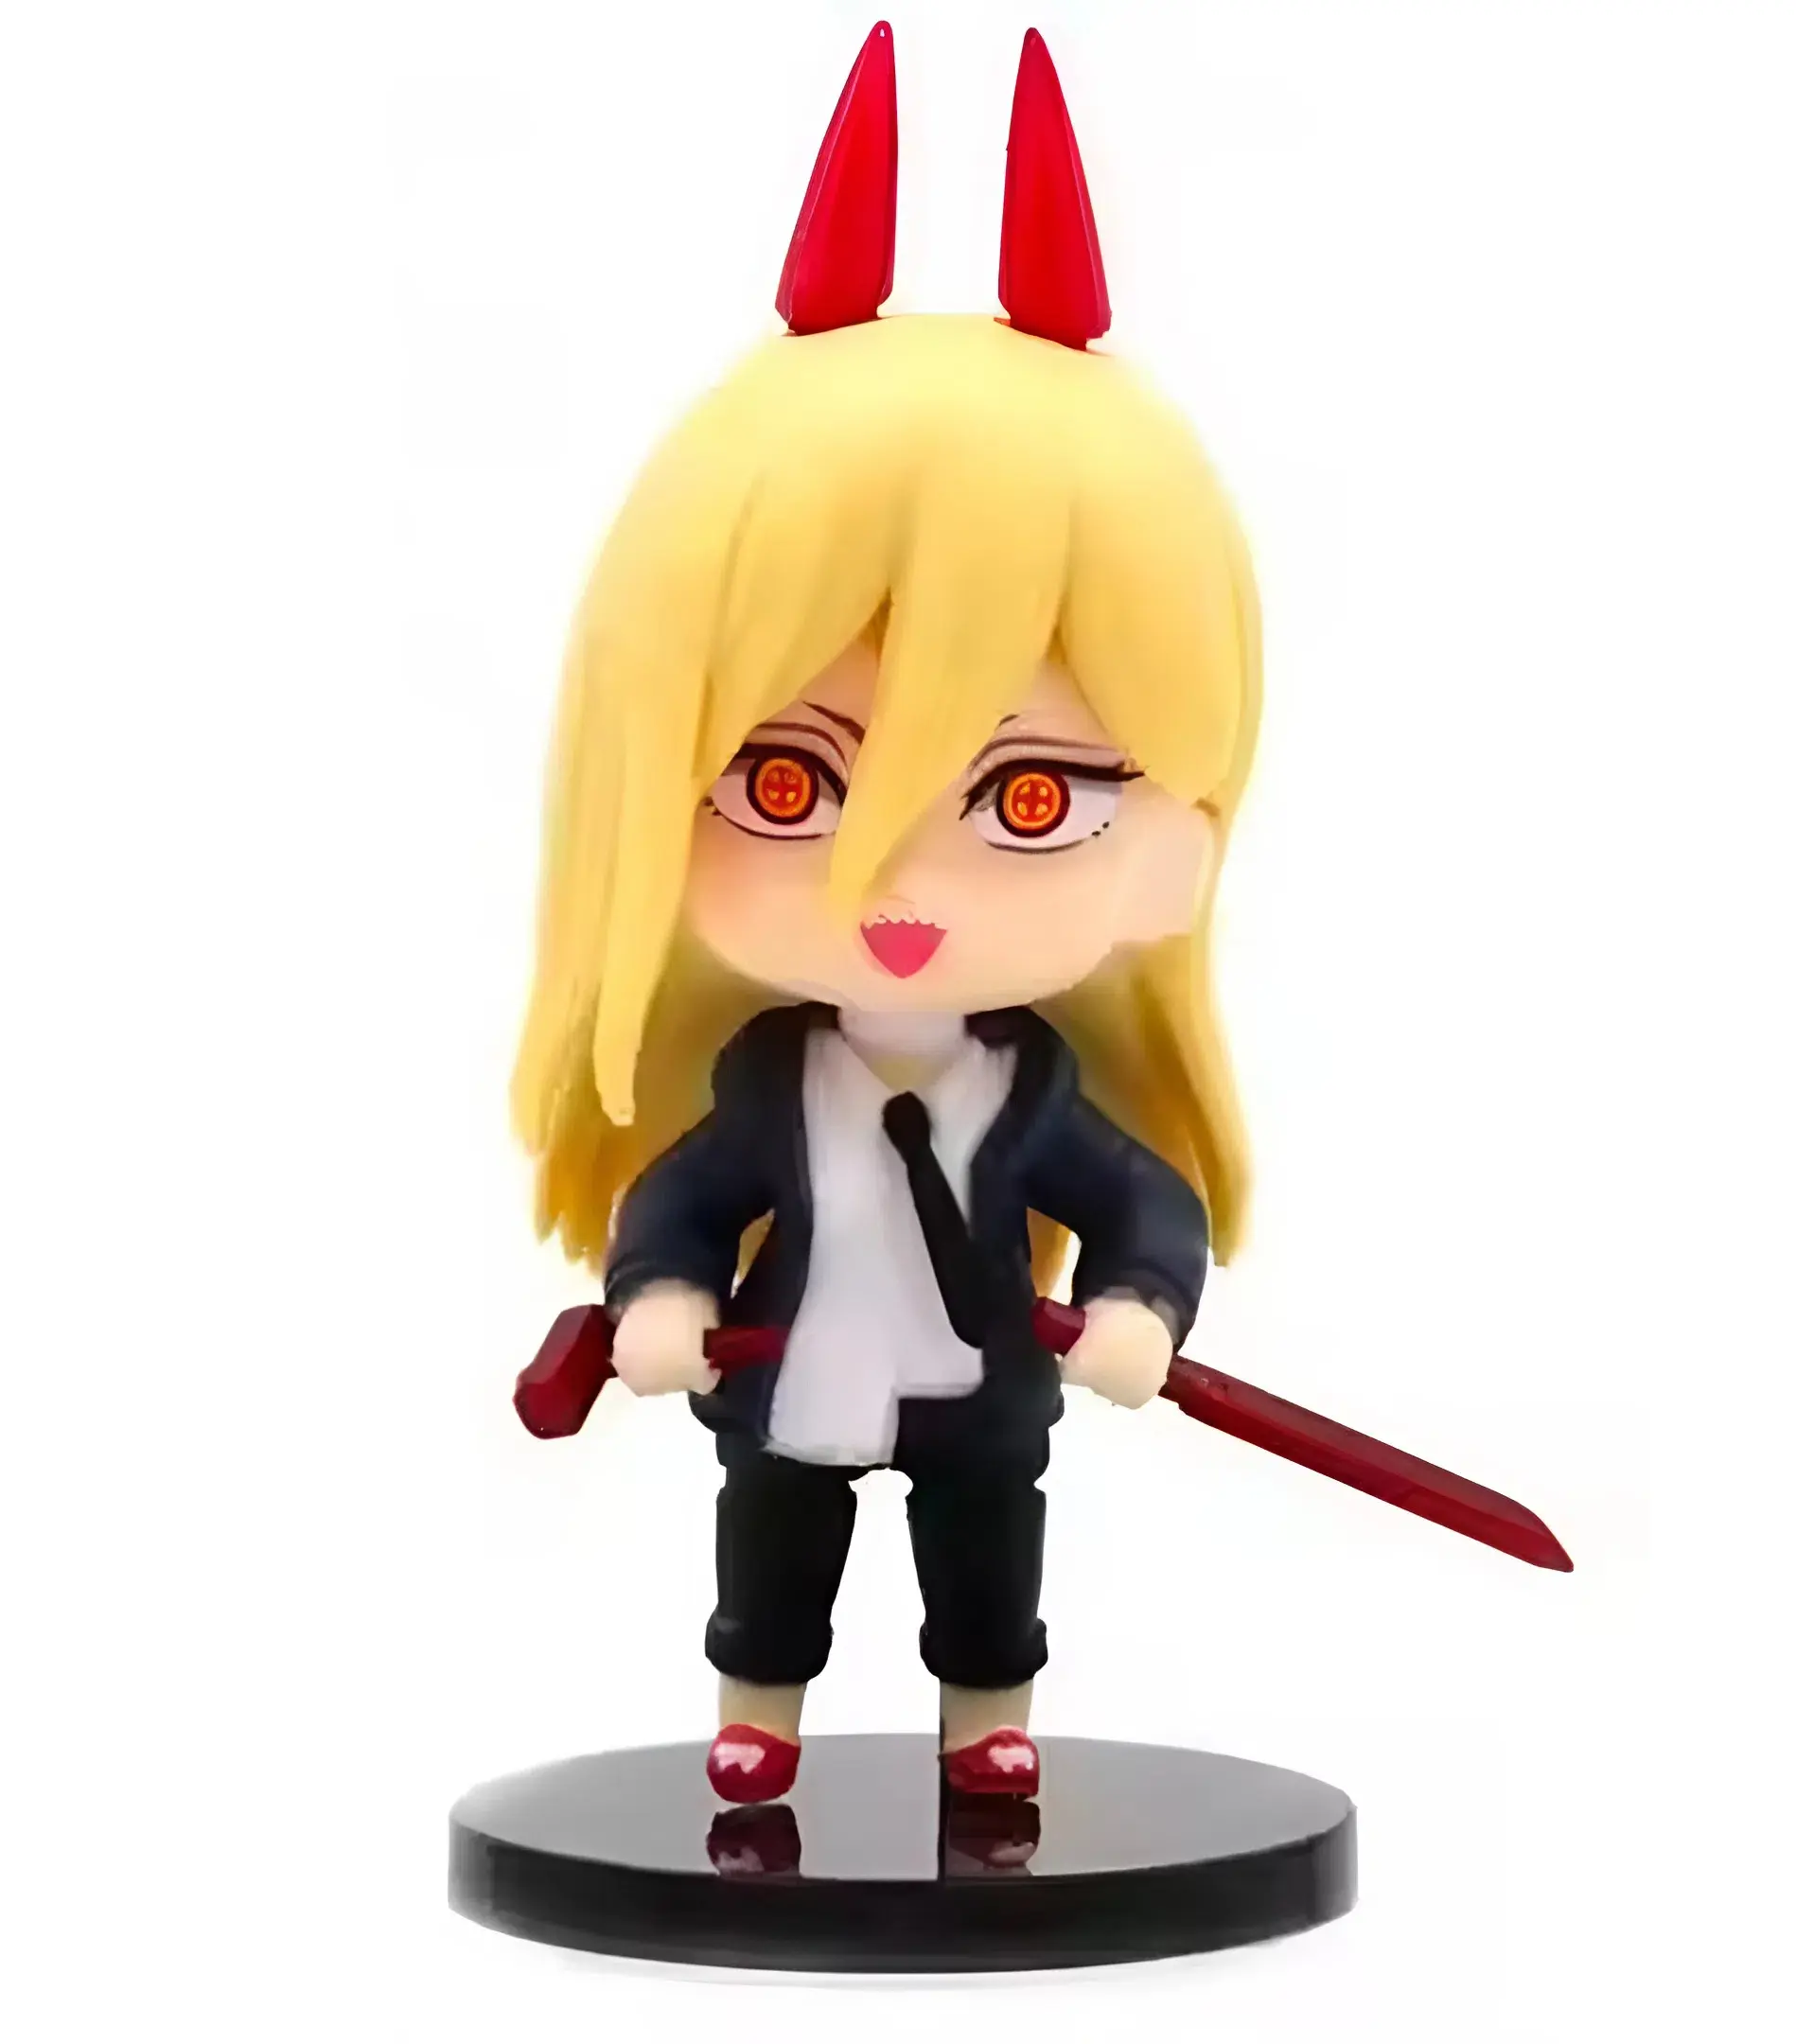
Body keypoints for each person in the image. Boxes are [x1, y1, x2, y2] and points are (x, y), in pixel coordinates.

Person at [510, 26, 1260, 1804]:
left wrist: (1143, 1307)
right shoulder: (765, 1085)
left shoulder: (1037, 1096)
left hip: (980, 1394)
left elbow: (1140, 1206)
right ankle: (756, 1716)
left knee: (986, 1558)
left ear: (1174, 847)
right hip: (792, 1392)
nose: (897, 889)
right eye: (786, 787)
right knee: (770, 1557)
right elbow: (681, 1199)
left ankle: (987, 1718)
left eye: (1029, 800)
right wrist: (660, 1293)